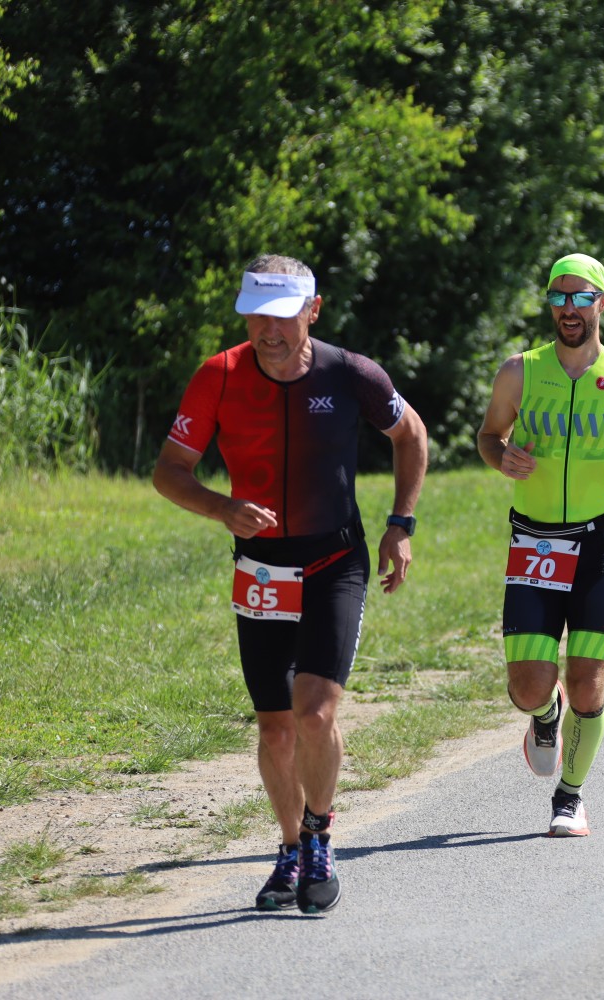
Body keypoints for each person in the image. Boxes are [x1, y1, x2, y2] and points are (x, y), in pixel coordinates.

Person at [153, 254, 428, 913]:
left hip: (334, 562)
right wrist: (221, 508)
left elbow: (412, 435)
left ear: (313, 310)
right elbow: (170, 471)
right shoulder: (219, 376)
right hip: (262, 569)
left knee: (316, 713)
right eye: (255, 314)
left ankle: (320, 835)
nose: (267, 330)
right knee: (276, 729)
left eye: (280, 316)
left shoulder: (350, 373)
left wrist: (400, 524)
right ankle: (288, 848)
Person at [476, 252, 604, 837]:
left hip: (597, 546)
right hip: (535, 541)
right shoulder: (520, 372)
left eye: (581, 297)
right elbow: (489, 435)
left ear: (601, 303)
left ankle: (570, 797)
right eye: (558, 296)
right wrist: (500, 456)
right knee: (527, 686)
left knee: (588, 681)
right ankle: (544, 714)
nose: (568, 308)